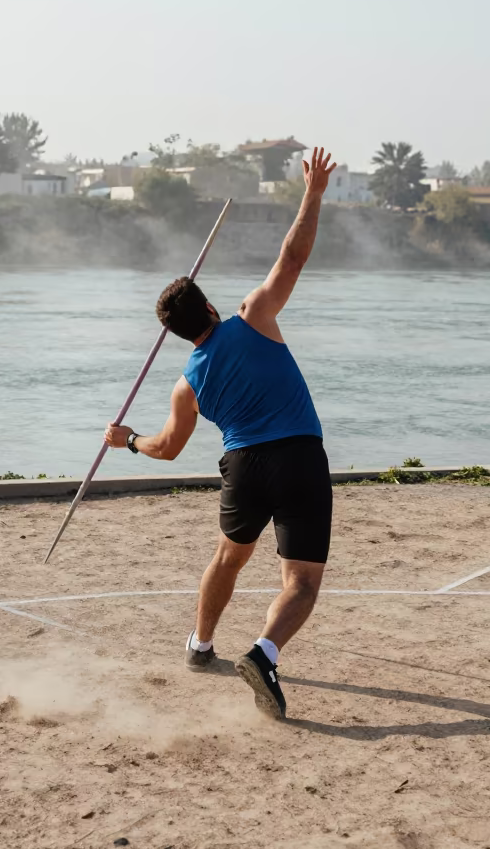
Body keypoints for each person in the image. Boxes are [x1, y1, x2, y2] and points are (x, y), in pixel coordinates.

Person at [105, 146, 337, 719]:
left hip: (244, 469)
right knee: (301, 582)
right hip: (298, 457)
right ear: (208, 305)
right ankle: (264, 652)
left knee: (228, 558)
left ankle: (200, 645)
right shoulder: (255, 314)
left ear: (178, 333)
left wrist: (126, 441)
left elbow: (167, 448)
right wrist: (312, 193)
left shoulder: (187, 385)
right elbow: (293, 256)